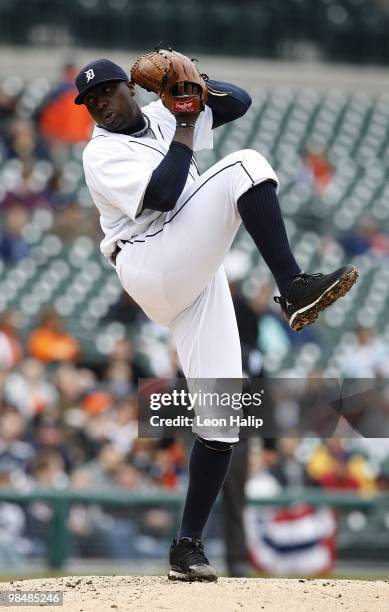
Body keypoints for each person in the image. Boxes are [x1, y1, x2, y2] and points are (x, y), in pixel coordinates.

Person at [75, 51, 358, 581]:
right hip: (149, 260)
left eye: (106, 93)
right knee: (246, 165)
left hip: (192, 276)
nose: (100, 106)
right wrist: (184, 120)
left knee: (222, 418)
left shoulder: (159, 115)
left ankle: (187, 546)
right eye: (90, 102)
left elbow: (241, 103)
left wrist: (194, 85)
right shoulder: (101, 153)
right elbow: (160, 194)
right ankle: (293, 287)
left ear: (128, 90)